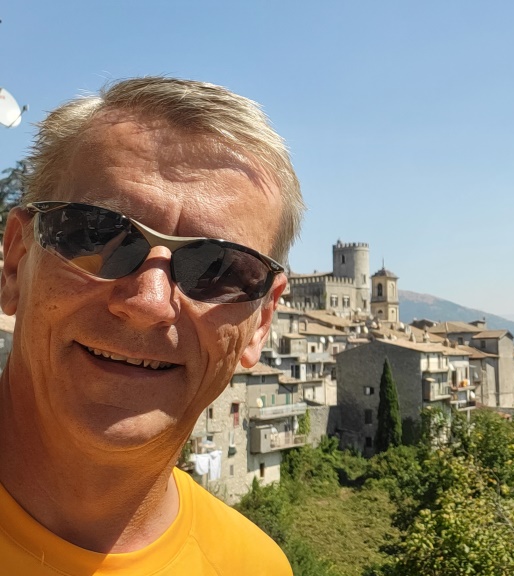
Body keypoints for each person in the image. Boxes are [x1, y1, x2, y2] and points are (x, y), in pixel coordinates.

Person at [0, 77, 304, 575]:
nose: (149, 301)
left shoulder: (254, 566)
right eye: (99, 234)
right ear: (15, 264)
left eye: (218, 269)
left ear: (261, 323)